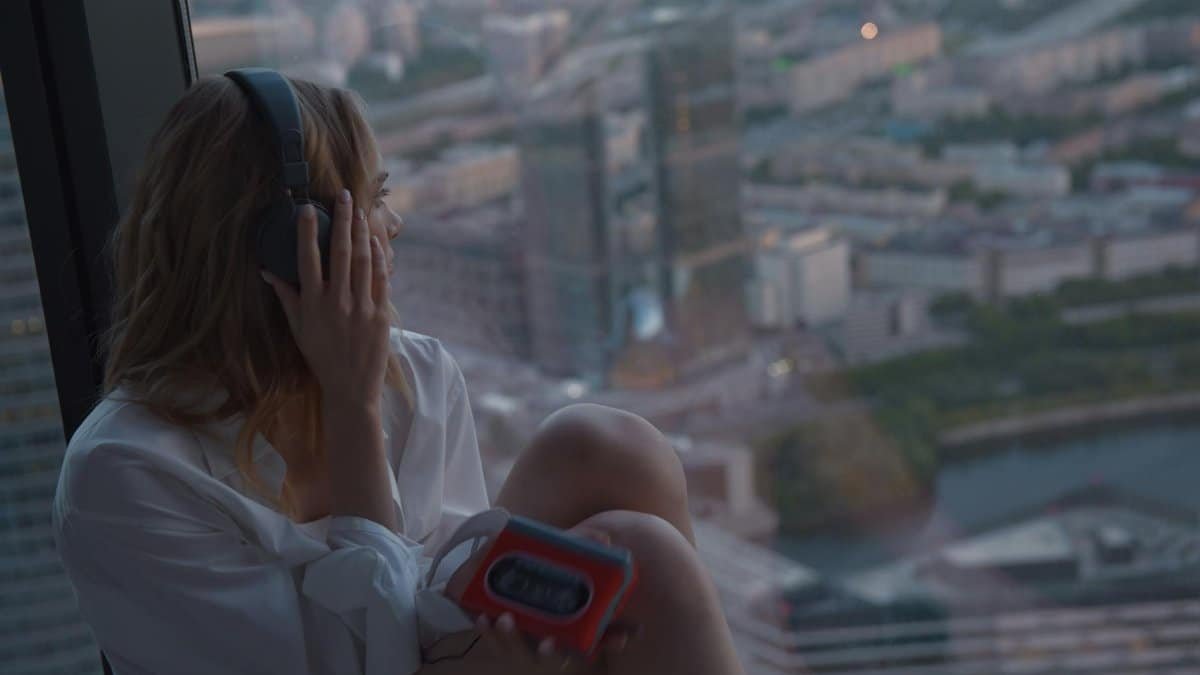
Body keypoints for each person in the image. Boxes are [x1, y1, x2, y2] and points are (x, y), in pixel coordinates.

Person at [51, 72, 746, 675]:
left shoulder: (413, 373)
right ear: (301, 250)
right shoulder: (125, 476)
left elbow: (434, 596)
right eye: (372, 202)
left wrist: (510, 636)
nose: (397, 224)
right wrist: (350, 408)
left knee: (608, 446)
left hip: (413, 647)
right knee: (646, 557)